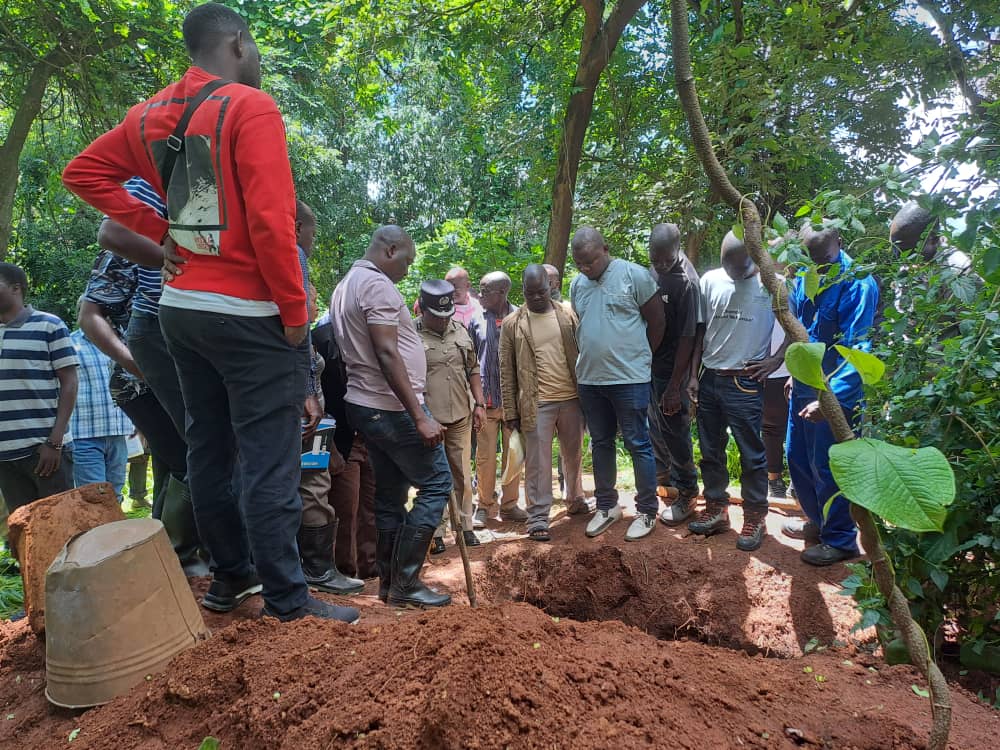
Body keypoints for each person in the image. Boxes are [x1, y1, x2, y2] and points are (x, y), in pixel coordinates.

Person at [62, 3, 357, 624]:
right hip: (249, 311)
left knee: (208, 448)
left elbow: (83, 172)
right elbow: (272, 224)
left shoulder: (148, 116)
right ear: (240, 44)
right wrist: (296, 315)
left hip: (179, 312)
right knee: (270, 455)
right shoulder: (251, 108)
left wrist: (162, 233)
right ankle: (287, 600)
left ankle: (231, 580)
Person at [82, 193, 209, 576]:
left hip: (178, 370)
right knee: (192, 457)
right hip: (137, 380)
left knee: (175, 466)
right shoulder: (126, 249)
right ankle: (179, 559)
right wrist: (132, 362)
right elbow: (89, 315)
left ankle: (169, 556)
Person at [331, 225, 452, 608]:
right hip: (389, 406)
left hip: (366, 405)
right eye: (407, 260)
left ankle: (388, 583)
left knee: (389, 495)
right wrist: (419, 416)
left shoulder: (346, 284)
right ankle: (405, 582)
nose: (407, 269)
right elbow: (386, 352)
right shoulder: (376, 285)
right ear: (391, 249)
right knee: (437, 483)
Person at [784, 223, 879, 565]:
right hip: (806, 380)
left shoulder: (858, 283)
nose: (818, 266)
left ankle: (840, 540)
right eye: (812, 259)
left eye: (824, 259)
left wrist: (831, 399)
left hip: (837, 386)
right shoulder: (804, 275)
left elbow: (859, 349)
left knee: (828, 464)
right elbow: (801, 332)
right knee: (796, 455)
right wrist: (796, 374)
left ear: (839, 242)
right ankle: (818, 522)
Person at [687, 231, 784, 552]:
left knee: (751, 454)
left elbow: (798, 327)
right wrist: (693, 375)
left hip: (746, 381)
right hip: (711, 378)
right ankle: (717, 508)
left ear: (754, 259)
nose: (730, 274)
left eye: (737, 268)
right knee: (710, 449)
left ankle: (755, 516)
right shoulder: (710, 280)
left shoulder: (774, 285)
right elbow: (701, 331)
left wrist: (775, 360)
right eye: (726, 266)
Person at [570, 227, 665, 541]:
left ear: (605, 249)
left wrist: (640, 358)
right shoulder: (577, 285)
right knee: (600, 443)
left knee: (638, 443)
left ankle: (647, 510)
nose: (586, 269)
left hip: (629, 379)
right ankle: (607, 506)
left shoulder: (633, 276)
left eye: (591, 262)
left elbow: (658, 321)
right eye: (579, 264)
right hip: (590, 379)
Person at [500, 264, 588, 542]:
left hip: (571, 398)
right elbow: (506, 370)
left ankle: (575, 499)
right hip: (536, 403)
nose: (536, 297)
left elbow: (583, 353)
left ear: (550, 287)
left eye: (541, 291)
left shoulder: (567, 314)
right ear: (522, 291)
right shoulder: (514, 323)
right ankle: (538, 517)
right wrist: (510, 411)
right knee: (538, 461)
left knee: (572, 454)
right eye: (530, 293)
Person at [0, 263, 79, 513]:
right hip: (4, 456)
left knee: (61, 531)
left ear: (16, 288)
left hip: (44, 451)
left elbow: (69, 381)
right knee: (23, 536)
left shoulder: (49, 326)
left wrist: (55, 442)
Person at [416, 279, 486, 554]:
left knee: (461, 474)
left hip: (460, 414)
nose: (444, 321)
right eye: (437, 316)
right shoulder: (410, 335)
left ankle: (465, 528)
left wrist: (479, 404)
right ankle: (435, 531)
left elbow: (473, 369)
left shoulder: (461, 331)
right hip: (428, 419)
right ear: (423, 310)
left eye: (448, 315)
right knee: (433, 476)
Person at [312, 310, 378, 581]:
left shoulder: (377, 338)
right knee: (345, 508)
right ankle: (343, 571)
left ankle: (371, 566)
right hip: (342, 440)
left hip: (372, 436)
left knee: (371, 507)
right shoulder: (322, 342)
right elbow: (317, 400)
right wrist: (330, 449)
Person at [645, 223, 702, 526]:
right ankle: (665, 478)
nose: (662, 265)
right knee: (657, 425)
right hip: (652, 365)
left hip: (673, 370)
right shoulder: (653, 271)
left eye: (667, 259)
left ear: (677, 250)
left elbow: (688, 337)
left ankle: (688, 493)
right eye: (656, 259)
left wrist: (675, 384)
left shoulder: (686, 283)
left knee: (676, 430)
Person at [468, 271, 525, 526]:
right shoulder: (475, 320)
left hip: (515, 402)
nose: (479, 296)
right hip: (486, 403)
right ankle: (484, 505)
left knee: (515, 454)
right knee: (485, 457)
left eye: (484, 291)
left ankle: (510, 505)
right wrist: (474, 401)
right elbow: (469, 362)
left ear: (501, 293)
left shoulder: (521, 318)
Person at [68, 321, 133, 500]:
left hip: (118, 432)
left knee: (116, 494)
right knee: (95, 498)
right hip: (84, 435)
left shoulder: (121, 342)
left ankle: (115, 528)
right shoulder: (70, 344)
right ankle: (97, 529)